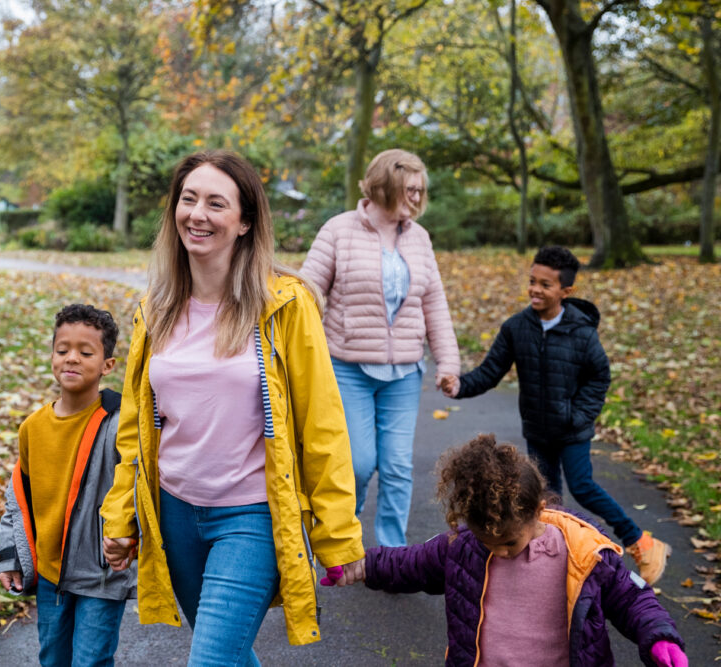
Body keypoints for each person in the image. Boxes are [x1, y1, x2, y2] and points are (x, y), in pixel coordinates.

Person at [100, 150, 365, 666]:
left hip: (251, 515)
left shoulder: (284, 304)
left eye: (216, 203)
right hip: (174, 512)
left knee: (210, 661)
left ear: (244, 222)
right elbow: (135, 428)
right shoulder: (155, 309)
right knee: (227, 655)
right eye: (188, 199)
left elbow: (323, 425)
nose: (197, 214)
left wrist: (337, 532)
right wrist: (121, 513)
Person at [440, 246, 670, 585]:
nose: (535, 289)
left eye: (545, 285)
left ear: (565, 291)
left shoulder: (581, 331)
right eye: (532, 281)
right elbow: (491, 371)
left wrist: (580, 415)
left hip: (573, 429)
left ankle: (641, 542)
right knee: (546, 500)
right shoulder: (517, 327)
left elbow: (599, 376)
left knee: (582, 486)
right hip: (538, 429)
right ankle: (558, 564)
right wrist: (459, 386)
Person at [363, 434, 688, 667]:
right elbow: (410, 563)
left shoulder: (584, 550)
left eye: (508, 542)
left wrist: (659, 636)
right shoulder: (464, 546)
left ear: (538, 510)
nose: (499, 552)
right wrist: (359, 565)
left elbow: (631, 597)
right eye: (486, 541)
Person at [300, 148, 460, 547]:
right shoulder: (338, 230)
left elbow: (434, 301)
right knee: (357, 464)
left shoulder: (419, 238)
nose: (418, 198)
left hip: (405, 371)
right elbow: (306, 296)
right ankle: (343, 536)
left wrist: (448, 362)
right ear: (385, 187)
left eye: (421, 190)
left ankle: (393, 553)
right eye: (410, 189)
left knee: (397, 467)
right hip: (347, 367)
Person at [0, 304, 135, 667]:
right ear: (52, 356)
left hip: (102, 574)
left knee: (90, 662)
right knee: (53, 660)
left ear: (108, 365)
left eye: (86, 352)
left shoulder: (121, 425)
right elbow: (18, 499)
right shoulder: (33, 427)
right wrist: (10, 555)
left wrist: (127, 539)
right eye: (63, 350)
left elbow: (136, 488)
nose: (72, 358)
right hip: (50, 574)